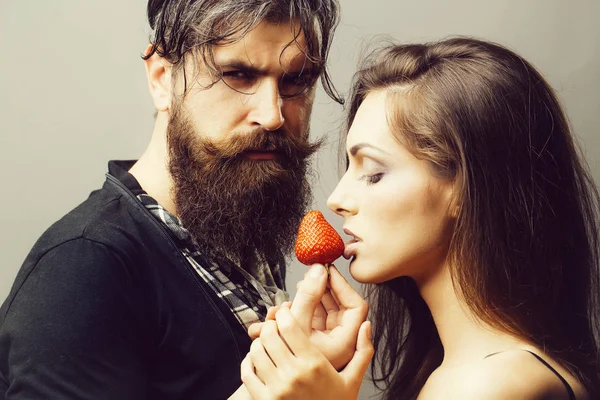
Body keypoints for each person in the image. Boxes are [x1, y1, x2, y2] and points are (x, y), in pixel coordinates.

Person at [0, 1, 372, 399]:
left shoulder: (234, 218)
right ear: (162, 78)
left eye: (295, 80)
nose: (273, 114)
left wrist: (302, 362)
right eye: (238, 75)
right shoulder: (82, 269)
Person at [241, 37, 600, 399]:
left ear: (465, 187)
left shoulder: (487, 385)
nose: (337, 200)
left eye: (375, 173)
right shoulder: (479, 371)